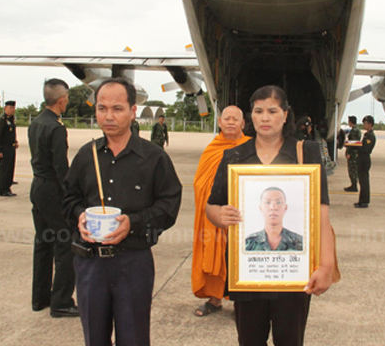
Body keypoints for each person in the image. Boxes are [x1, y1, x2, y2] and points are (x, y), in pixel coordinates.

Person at [206, 85, 336, 346]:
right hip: (247, 272)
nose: (265, 118)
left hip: (294, 273)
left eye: (273, 111)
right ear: (250, 116)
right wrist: (221, 216)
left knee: (290, 340)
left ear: (286, 115)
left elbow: (322, 214)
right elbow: (212, 206)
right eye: (258, 111)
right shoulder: (234, 156)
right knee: (249, 340)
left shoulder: (306, 152)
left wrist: (326, 266)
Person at [62, 78, 182, 346]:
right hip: (90, 264)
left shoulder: (153, 158)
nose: (108, 116)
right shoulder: (86, 155)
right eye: (102, 108)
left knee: (134, 338)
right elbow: (68, 197)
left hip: (133, 263)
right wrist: (79, 216)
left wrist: (134, 223)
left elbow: (169, 204)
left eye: (117, 108)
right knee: (95, 337)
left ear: (132, 111)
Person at [192, 105, 250, 317]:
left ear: (243, 124)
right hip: (216, 213)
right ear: (219, 122)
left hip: (241, 214)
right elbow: (200, 183)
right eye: (227, 118)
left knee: (241, 255)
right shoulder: (213, 148)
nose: (231, 122)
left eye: (236, 119)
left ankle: (242, 302)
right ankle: (215, 299)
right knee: (216, 251)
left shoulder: (250, 147)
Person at [28, 78, 78, 317]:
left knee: (43, 242)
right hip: (52, 191)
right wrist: (71, 196)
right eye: (66, 97)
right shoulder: (56, 128)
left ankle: (40, 298)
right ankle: (61, 301)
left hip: (37, 187)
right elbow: (61, 168)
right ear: (61, 100)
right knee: (66, 245)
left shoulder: (36, 123)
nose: (67, 101)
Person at [245, 187, 303, 251]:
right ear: (260, 208)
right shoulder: (248, 243)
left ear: (285, 208)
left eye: (278, 202)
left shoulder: (300, 242)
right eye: (267, 202)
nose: (273, 207)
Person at [0, 100, 18, 196]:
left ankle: (8, 186)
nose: (12, 109)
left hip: (11, 148)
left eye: (13, 108)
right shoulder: (2, 120)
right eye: (10, 108)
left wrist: (15, 141)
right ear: (5, 108)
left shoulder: (11, 119)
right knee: (4, 169)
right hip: (4, 148)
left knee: (10, 168)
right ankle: (2, 189)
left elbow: (11, 133)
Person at [355, 115, 376, 208]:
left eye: (365, 123)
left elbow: (365, 149)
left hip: (364, 158)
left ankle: (364, 201)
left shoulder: (370, 135)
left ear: (370, 124)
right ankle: (361, 200)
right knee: (362, 180)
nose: (364, 125)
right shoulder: (367, 134)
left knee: (364, 181)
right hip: (362, 158)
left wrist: (355, 146)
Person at [344, 116, 361, 192]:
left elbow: (352, 143)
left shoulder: (354, 130)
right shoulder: (357, 129)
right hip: (355, 152)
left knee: (352, 170)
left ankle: (354, 185)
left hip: (353, 153)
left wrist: (349, 153)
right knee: (354, 169)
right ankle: (353, 185)